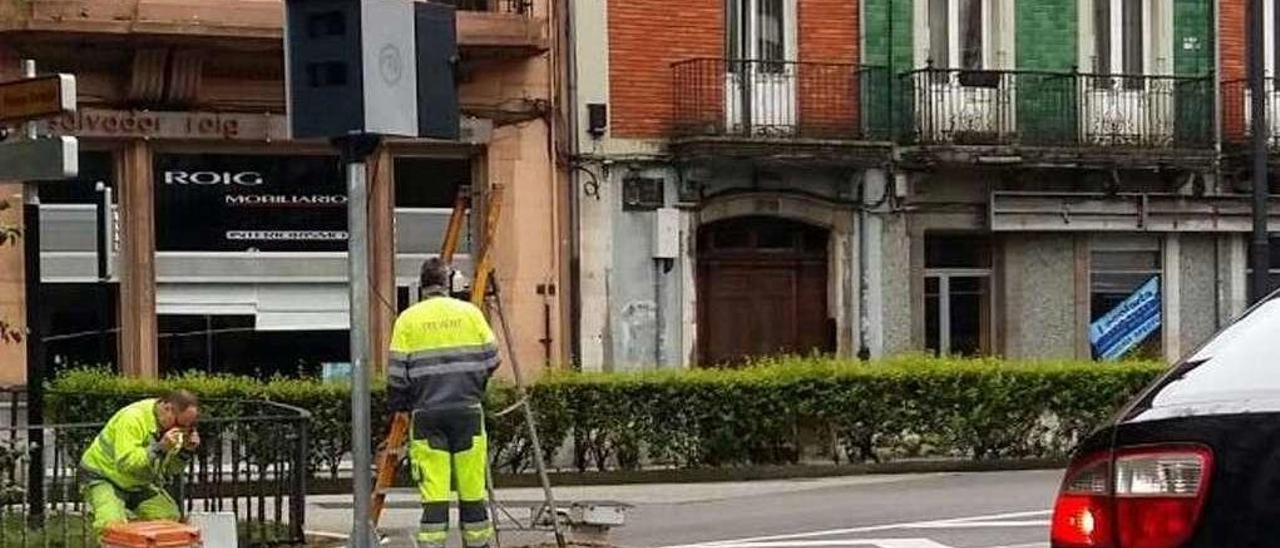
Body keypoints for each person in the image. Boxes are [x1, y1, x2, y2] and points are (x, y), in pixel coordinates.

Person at [388, 258, 501, 548]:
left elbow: (397, 375)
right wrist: (472, 386)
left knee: (435, 494)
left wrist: (402, 408)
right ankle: (477, 543)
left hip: (427, 416)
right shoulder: (470, 313)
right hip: (467, 414)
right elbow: (492, 359)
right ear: (447, 283)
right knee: (472, 490)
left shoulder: (407, 320)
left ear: (422, 284)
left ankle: (432, 543)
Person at [80, 390, 201, 534]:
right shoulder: (132, 418)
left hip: (137, 482)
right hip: (104, 477)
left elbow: (167, 470)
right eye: (179, 423)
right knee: (111, 526)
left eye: (188, 426)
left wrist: (185, 452)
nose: (182, 429)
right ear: (167, 408)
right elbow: (127, 462)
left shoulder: (175, 432)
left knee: (169, 519)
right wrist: (159, 448)